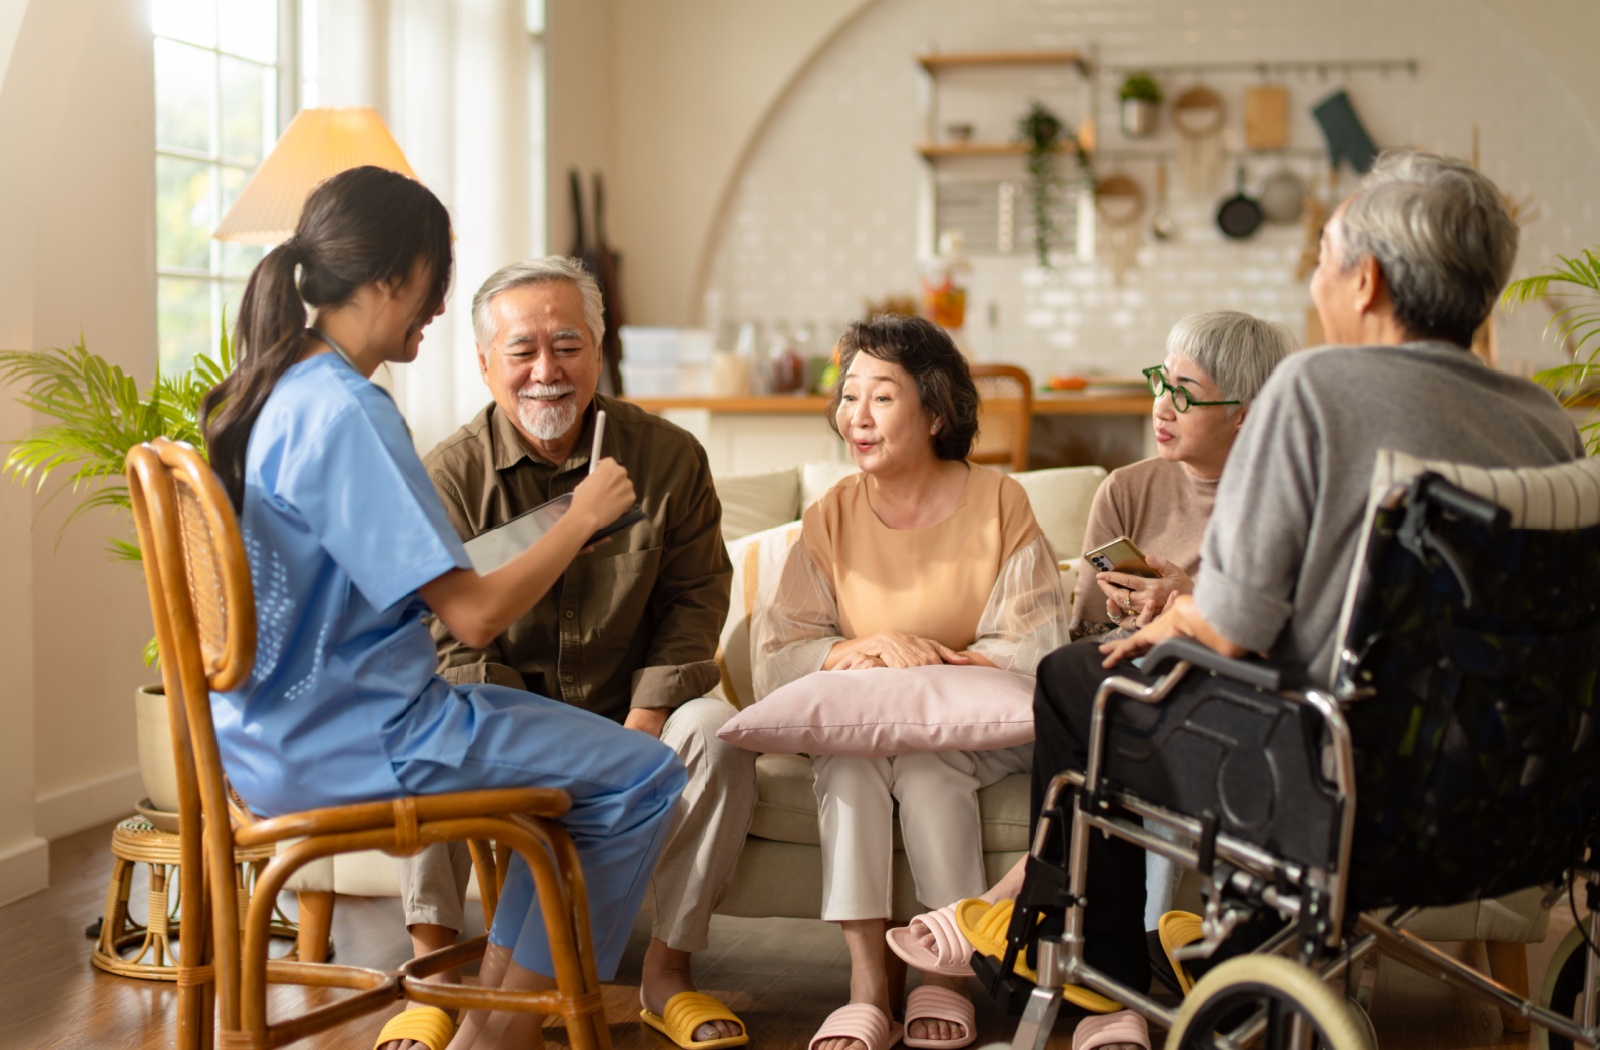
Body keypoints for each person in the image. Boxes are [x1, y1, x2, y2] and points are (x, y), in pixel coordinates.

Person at [944, 149, 1586, 1050]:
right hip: (1513, 787)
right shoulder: (1544, 420)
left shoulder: (1315, 389)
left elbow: (1236, 622)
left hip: (1327, 775)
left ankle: (1107, 964)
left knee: (1076, 681)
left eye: (1321, 254)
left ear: (1364, 282)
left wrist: (1177, 617)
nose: (1316, 276)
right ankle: (1168, 936)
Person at [199, 166, 686, 1050]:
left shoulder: (270, 389)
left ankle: (493, 1007)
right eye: (437, 276)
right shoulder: (350, 409)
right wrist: (578, 520)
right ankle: (502, 1033)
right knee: (643, 776)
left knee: (576, 760)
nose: (437, 304)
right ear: (394, 275)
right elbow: (472, 620)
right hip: (365, 740)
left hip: (266, 739)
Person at [390, 256, 753, 1050]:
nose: (547, 372)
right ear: (485, 363)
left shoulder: (670, 457)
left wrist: (647, 717)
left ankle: (666, 974)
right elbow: (448, 634)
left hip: (634, 710)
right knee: (429, 720)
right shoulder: (446, 476)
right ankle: (440, 979)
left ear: (599, 350)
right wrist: (527, 734)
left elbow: (697, 600)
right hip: (504, 702)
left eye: (568, 345)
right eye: (522, 351)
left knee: (720, 738)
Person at [751, 315, 1069, 1050]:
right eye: (848, 395)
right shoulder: (830, 513)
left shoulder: (1001, 502)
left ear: (936, 410)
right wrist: (866, 648)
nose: (855, 417)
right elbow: (783, 648)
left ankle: (945, 976)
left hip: (977, 724)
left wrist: (937, 663)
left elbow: (1037, 640)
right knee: (851, 761)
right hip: (867, 722)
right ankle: (867, 985)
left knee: (928, 764)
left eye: (881, 397)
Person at [1067, 310, 1296, 642]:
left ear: (1245, 415)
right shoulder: (1124, 489)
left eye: (1185, 395)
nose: (1161, 408)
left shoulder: (1288, 504)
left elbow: (1280, 640)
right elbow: (1085, 634)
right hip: (1126, 664)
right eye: (1161, 382)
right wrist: (1125, 619)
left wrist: (1192, 606)